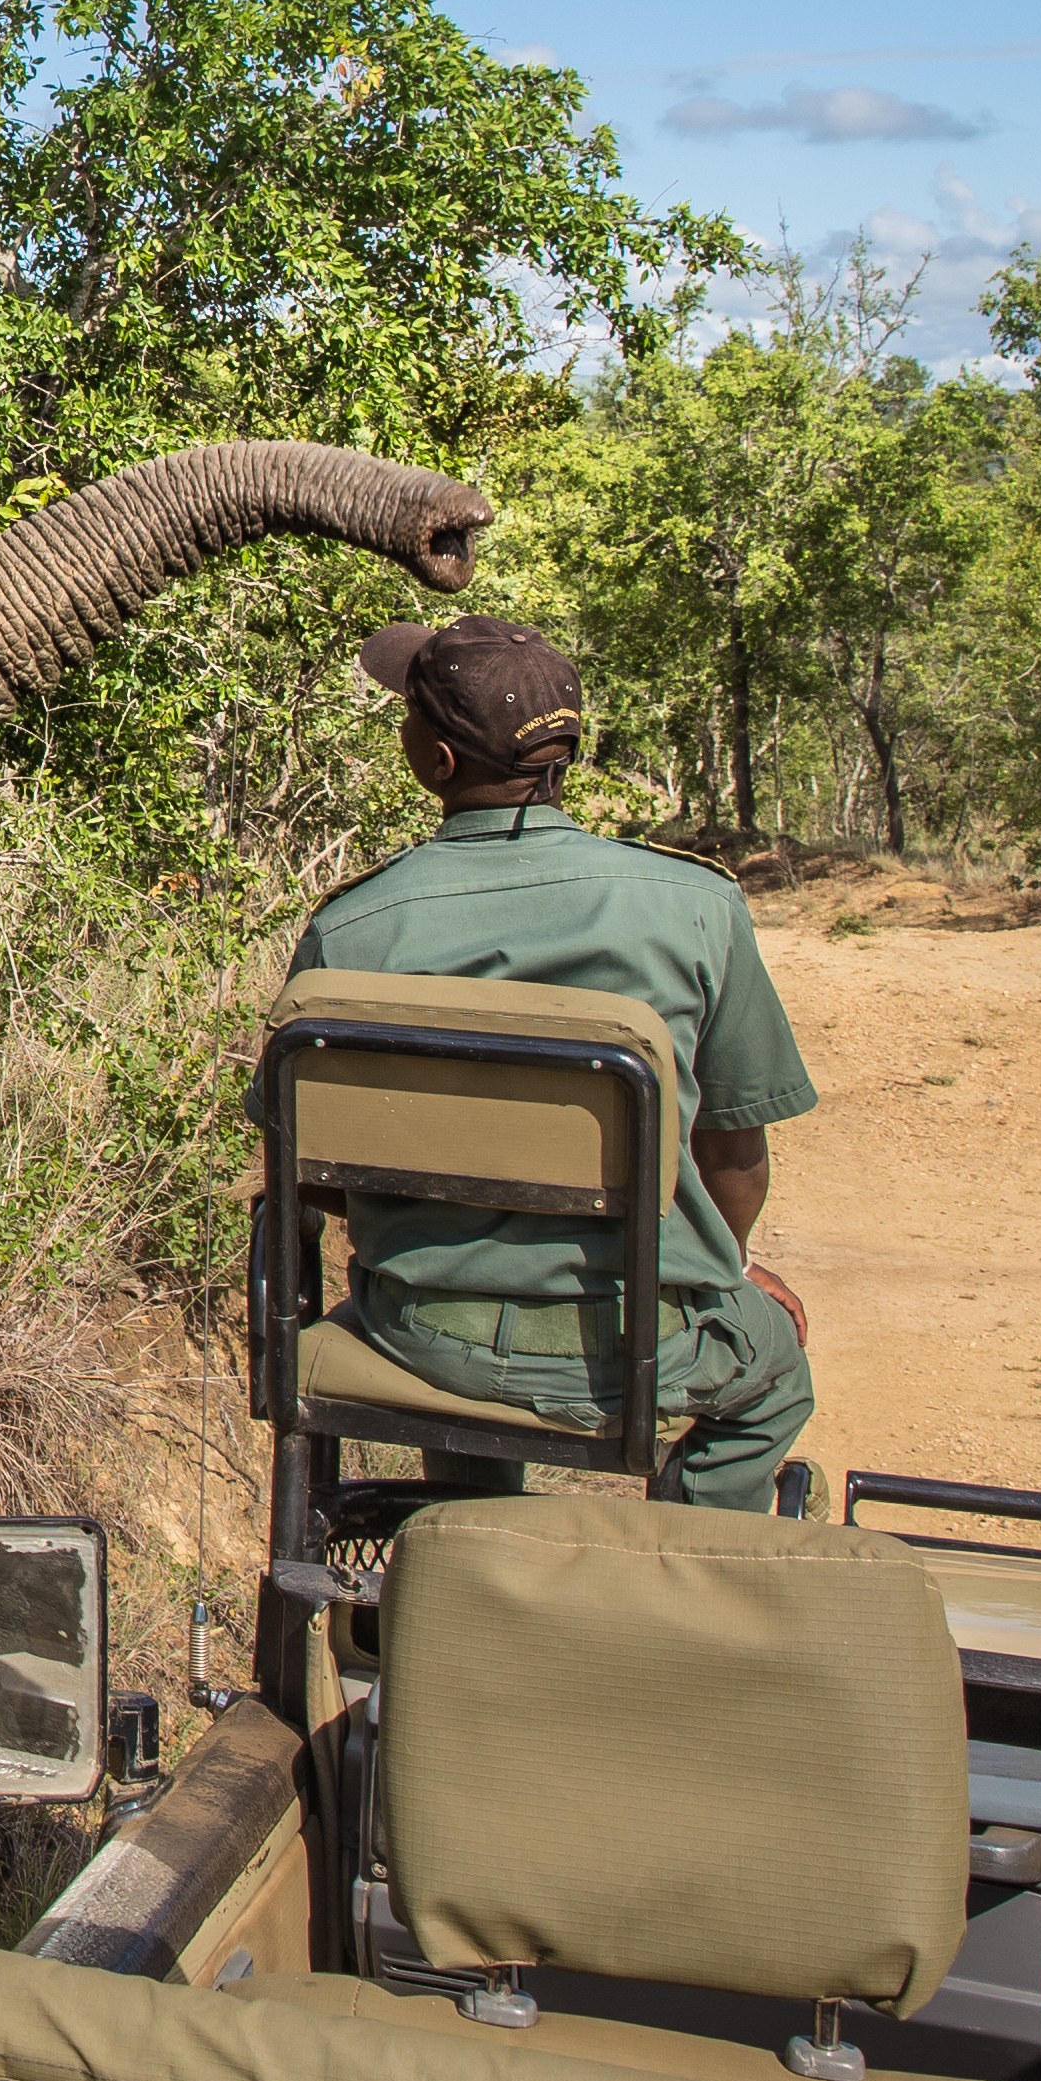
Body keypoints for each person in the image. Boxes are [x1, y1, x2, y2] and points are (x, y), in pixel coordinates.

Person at [293, 614, 818, 1512]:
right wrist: (718, 1272)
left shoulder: (350, 929)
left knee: (462, 1398)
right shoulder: (696, 905)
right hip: (648, 1336)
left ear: (439, 762)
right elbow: (734, 1155)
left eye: (409, 716)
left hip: (424, 1336)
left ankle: (476, 1548)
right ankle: (687, 1570)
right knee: (775, 1377)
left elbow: (322, 1176)